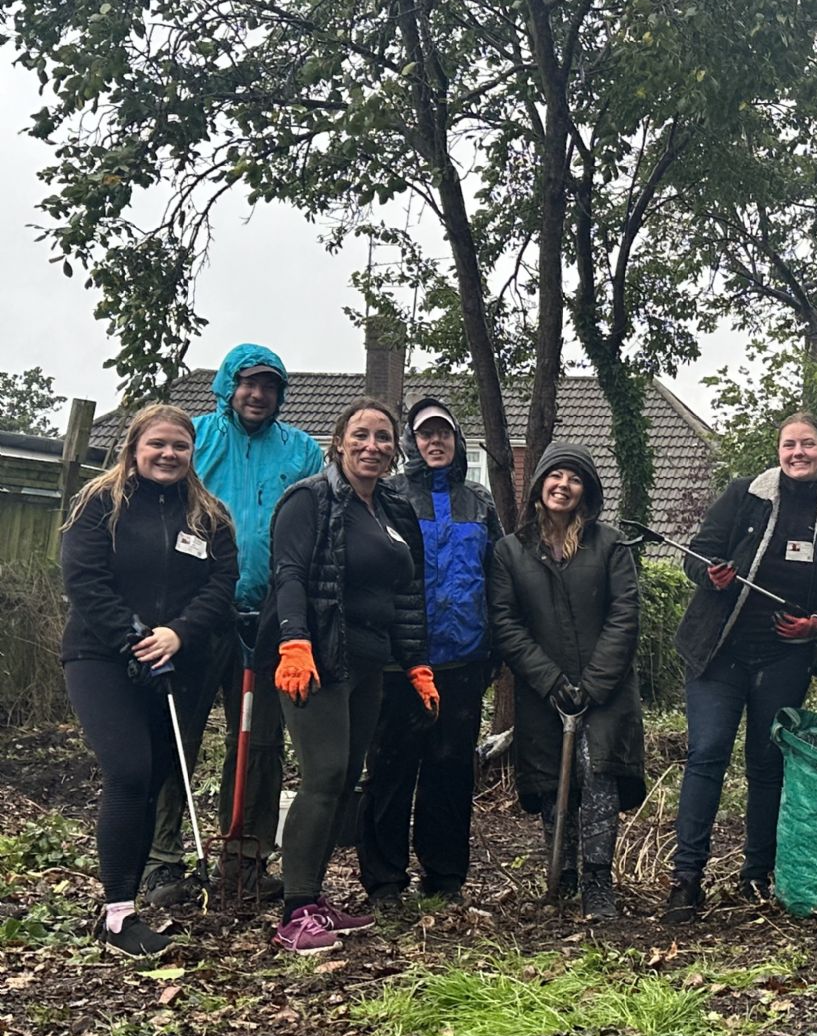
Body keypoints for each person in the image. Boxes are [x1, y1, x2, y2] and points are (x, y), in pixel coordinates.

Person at [141, 344, 321, 909]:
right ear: (228, 385)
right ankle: (162, 860)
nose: (258, 395)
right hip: (196, 618)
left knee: (260, 740)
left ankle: (245, 857)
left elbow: (316, 526)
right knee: (179, 733)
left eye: (269, 386)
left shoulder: (302, 450)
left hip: (269, 619)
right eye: (248, 384)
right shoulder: (195, 439)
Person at [60, 406, 239, 957]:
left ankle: (125, 907)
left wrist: (179, 634)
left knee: (156, 772)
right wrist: (135, 637)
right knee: (128, 769)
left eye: (180, 446)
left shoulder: (209, 516)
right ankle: (116, 914)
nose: (168, 454)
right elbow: (83, 577)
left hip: (177, 661)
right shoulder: (99, 504)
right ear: (134, 448)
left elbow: (222, 581)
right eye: (157, 444)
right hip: (102, 657)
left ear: (192, 454)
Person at [666, 412, 817, 921]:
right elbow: (696, 556)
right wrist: (712, 574)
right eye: (790, 444)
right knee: (707, 754)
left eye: (808, 444)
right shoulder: (744, 493)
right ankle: (687, 879)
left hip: (784, 658)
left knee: (767, 766)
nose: (798, 452)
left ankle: (757, 877)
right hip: (719, 652)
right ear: (778, 451)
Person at [262, 400, 436, 953]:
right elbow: (288, 573)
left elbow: (407, 593)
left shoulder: (392, 507)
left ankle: (313, 899)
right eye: (361, 435)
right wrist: (294, 641)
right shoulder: (309, 498)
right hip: (315, 660)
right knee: (324, 774)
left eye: (384, 437)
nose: (373, 446)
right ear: (338, 442)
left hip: (369, 663)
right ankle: (294, 911)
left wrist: (416, 661)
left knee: (344, 780)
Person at [490, 444, 645, 922]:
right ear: (538, 484)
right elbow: (505, 621)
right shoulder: (511, 550)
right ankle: (563, 875)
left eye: (574, 479)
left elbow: (625, 615)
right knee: (555, 781)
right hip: (545, 692)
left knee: (598, 777)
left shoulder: (610, 545)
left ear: (586, 491)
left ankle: (599, 881)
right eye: (554, 476)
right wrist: (551, 680)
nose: (563, 485)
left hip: (605, 692)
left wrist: (593, 684)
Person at [358, 398, 501, 909]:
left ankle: (445, 877)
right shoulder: (389, 497)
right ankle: (384, 882)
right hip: (400, 663)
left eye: (443, 433)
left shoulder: (479, 502)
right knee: (391, 770)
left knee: (450, 771)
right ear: (412, 444)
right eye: (424, 435)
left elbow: (497, 576)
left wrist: (494, 651)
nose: (434, 442)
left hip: (462, 662)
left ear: (457, 441)